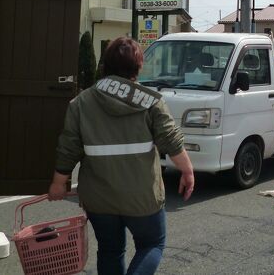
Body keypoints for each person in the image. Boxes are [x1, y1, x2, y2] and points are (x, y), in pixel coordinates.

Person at [49, 37, 195, 275]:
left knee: (109, 249)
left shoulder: (81, 102)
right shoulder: (151, 102)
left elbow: (68, 148)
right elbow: (172, 141)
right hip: (143, 198)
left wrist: (57, 183)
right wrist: (187, 172)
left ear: (105, 65)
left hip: (99, 198)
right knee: (151, 244)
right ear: (138, 67)